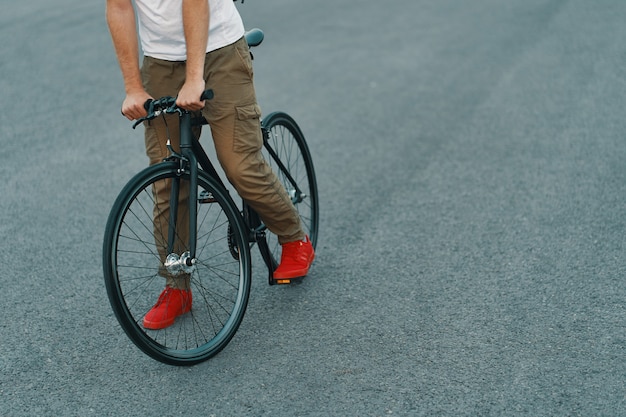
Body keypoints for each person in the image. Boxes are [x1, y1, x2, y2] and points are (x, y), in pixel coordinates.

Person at [106, 0, 314, 330]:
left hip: (220, 51)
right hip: (161, 62)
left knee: (239, 165)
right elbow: (118, 7)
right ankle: (177, 287)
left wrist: (194, 78)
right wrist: (133, 87)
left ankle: (293, 236)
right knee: (169, 180)